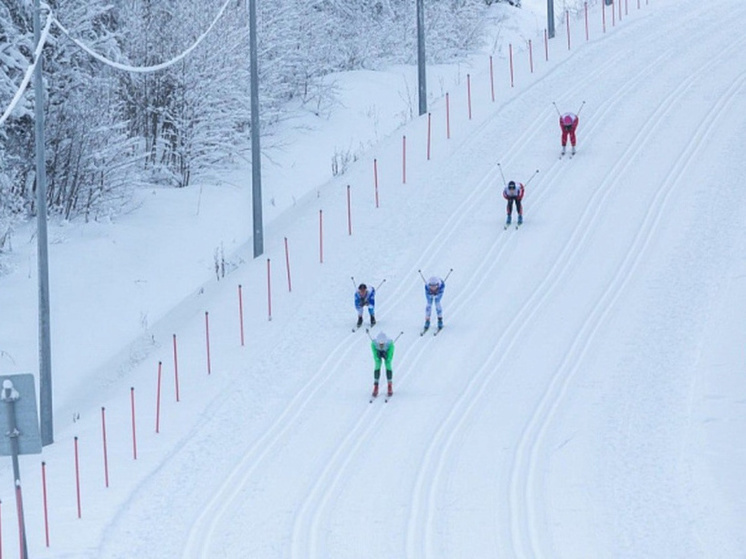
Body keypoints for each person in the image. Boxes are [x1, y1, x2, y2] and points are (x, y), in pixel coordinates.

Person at [371, 331, 394, 397]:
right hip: (378, 352)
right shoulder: (374, 343)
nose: (381, 345)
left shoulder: (390, 343)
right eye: (380, 344)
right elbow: (374, 351)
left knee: (388, 364)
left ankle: (389, 385)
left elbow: (391, 352)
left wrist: (388, 357)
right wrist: (376, 357)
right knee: (377, 365)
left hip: (387, 352)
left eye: (383, 344)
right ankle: (376, 386)